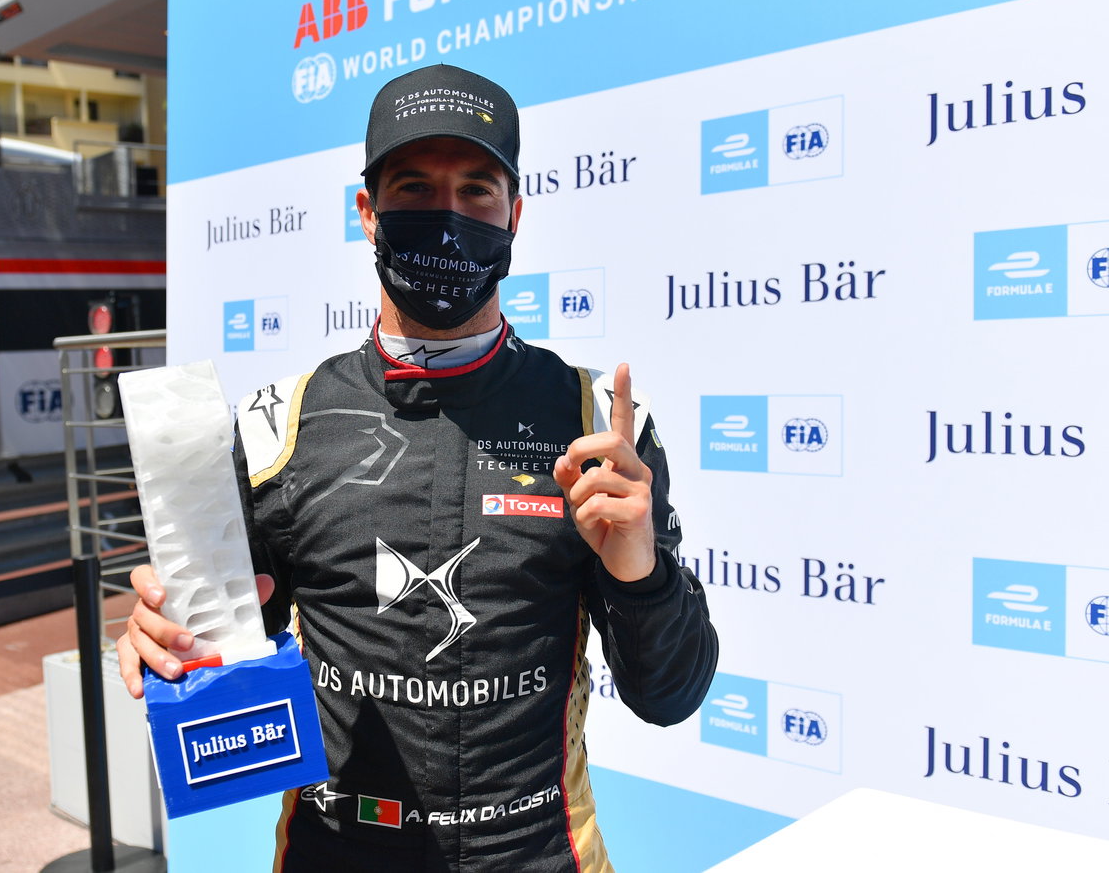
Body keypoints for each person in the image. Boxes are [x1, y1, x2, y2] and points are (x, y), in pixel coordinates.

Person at [118, 64, 718, 872]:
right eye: (414, 189)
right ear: (367, 213)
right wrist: (170, 639)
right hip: (334, 853)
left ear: (515, 215)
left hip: (537, 855)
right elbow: (218, 664)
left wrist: (640, 574)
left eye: (476, 191)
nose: (447, 216)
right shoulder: (276, 426)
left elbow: (670, 696)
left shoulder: (598, 428)